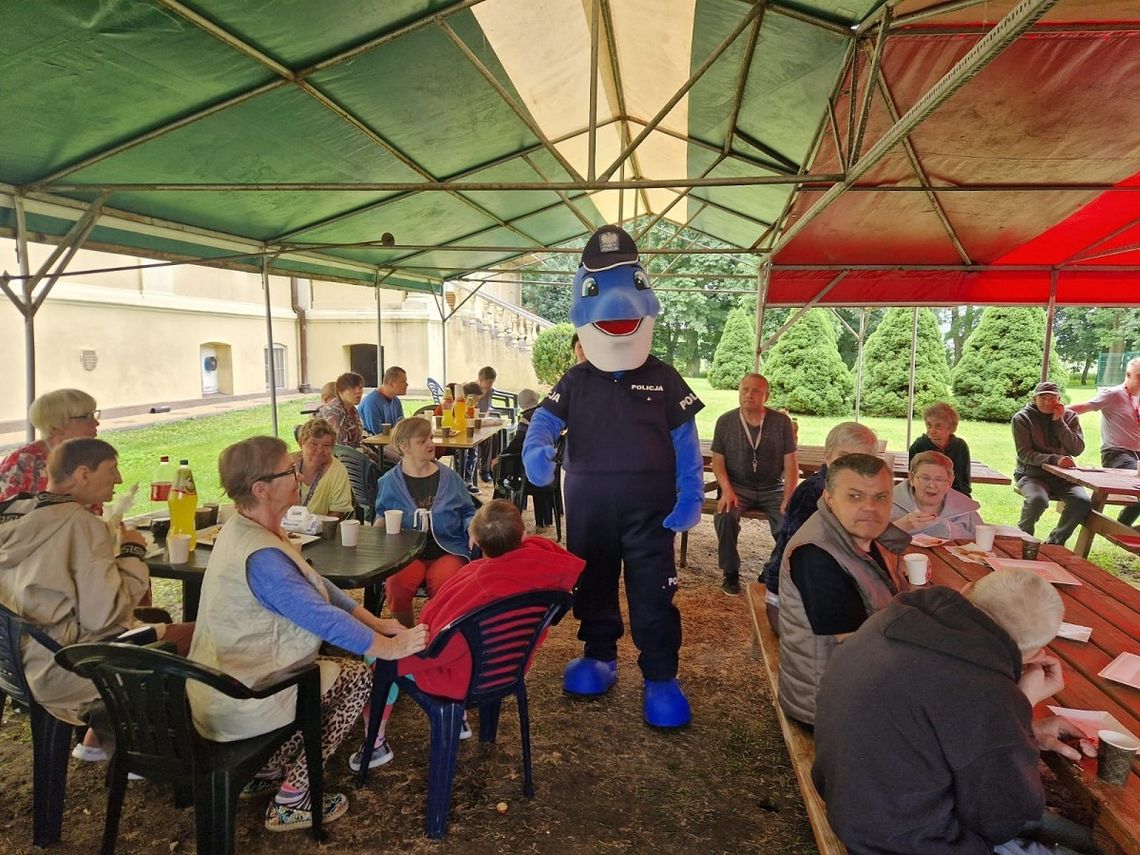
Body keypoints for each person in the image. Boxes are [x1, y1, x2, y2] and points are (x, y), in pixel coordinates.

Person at [187, 436, 427, 833]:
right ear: (260, 489)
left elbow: (319, 586)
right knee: (357, 680)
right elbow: (323, 618)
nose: (298, 474)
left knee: (335, 667)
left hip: (232, 679)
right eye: (289, 470)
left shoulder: (253, 528)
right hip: (241, 695)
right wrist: (388, 646)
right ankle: (292, 798)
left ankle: (266, 770)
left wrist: (376, 622)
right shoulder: (262, 556)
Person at [524, 224, 705, 728]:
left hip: (652, 515)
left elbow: (686, 439)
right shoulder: (575, 380)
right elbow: (544, 421)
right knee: (595, 582)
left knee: (653, 592)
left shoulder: (665, 377)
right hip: (590, 513)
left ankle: (661, 675)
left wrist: (691, 491)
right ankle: (600, 654)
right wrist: (536, 451)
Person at [813, 570, 1096, 854]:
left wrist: (1020, 727)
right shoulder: (989, 697)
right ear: (1035, 656)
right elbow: (1002, 822)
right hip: (907, 842)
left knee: (1079, 836)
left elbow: (936, 719)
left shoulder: (890, 620)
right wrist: (1018, 707)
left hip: (862, 805)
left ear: (966, 590)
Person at [350, 500, 584, 770]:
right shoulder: (548, 566)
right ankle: (458, 718)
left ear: (476, 542)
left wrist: (395, 640)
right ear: (523, 535)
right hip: (508, 667)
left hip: (458, 676)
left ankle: (375, 744)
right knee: (462, 641)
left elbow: (433, 637)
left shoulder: (474, 582)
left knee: (377, 651)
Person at [0, 439, 193, 730]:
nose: (119, 479)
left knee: (158, 624)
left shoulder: (19, 513)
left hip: (17, 663)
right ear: (83, 474)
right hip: (65, 667)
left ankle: (100, 738)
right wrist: (132, 553)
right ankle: (167, 747)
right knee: (196, 636)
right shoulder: (82, 524)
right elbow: (105, 617)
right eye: (112, 469)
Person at [778, 453, 907, 725]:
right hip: (828, 706)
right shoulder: (816, 555)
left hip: (853, 685)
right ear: (829, 498)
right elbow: (858, 650)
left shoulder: (862, 535)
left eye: (881, 497)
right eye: (855, 496)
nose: (870, 507)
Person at [762, 422, 879, 634]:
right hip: (791, 601)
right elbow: (802, 559)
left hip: (824, 589)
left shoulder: (858, 494)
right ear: (827, 456)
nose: (850, 465)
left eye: (861, 459)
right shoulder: (813, 493)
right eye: (843, 456)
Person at [375, 417, 476, 628]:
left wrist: (473, 527)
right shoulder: (389, 482)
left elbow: (468, 511)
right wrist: (375, 531)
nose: (431, 444)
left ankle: (439, 635)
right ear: (404, 446)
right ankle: (407, 632)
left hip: (447, 549)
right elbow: (382, 514)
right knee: (396, 585)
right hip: (406, 552)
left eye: (431, 437)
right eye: (422, 441)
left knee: (445, 585)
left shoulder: (450, 478)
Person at [710, 373, 798, 596]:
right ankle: (730, 571)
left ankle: (771, 570)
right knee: (725, 516)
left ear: (766, 396)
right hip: (738, 486)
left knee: (791, 521)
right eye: (744, 389)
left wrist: (789, 496)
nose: (749, 394)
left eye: (756, 391)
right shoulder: (725, 421)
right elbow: (717, 461)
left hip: (772, 487)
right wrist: (727, 490)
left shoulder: (781, 422)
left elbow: (790, 463)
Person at [1011, 381, 1091, 545]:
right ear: (1034, 399)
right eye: (1043, 398)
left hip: (1064, 478)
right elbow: (1025, 454)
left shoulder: (1070, 417)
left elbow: (1077, 449)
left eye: (1052, 398)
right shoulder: (1022, 418)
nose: (1048, 402)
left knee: (1082, 502)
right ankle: (1022, 539)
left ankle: (1055, 543)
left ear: (1059, 399)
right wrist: (1055, 459)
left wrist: (1059, 422)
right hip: (1031, 475)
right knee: (1037, 500)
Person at [1068, 355, 1140, 527]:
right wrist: (1049, 411)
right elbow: (1083, 407)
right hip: (1116, 453)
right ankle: (1123, 529)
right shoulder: (1113, 395)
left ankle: (1124, 529)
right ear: (1129, 375)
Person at [0, 388, 100, 502]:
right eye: (86, 417)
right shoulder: (24, 462)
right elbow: (7, 514)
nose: (96, 423)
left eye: (93, 415)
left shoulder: (86, 456)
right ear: (55, 426)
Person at [891, 450, 982, 540]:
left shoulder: (965, 509)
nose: (932, 485)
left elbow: (984, 542)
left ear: (950, 482)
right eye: (925, 478)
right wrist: (898, 527)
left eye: (939, 479)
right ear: (911, 479)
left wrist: (949, 530)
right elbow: (877, 545)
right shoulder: (887, 504)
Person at [495, 389, 554, 529]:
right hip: (549, 461)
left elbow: (518, 442)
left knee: (500, 466)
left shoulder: (527, 417)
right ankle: (546, 518)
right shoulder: (545, 414)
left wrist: (501, 455)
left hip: (530, 466)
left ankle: (498, 504)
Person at [292, 418, 354, 519]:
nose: (320, 450)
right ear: (301, 443)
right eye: (314, 444)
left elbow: (337, 512)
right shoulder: (286, 466)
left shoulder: (338, 471)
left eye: (326, 445)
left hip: (320, 531)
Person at [909, 401, 972, 496]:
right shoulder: (918, 446)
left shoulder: (960, 446)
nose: (932, 431)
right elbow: (914, 481)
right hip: (925, 495)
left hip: (954, 495)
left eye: (938, 426)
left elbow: (963, 483)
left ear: (951, 428)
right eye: (929, 425)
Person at [358, 367, 408, 467]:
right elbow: (377, 435)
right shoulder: (371, 402)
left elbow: (402, 427)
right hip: (376, 447)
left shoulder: (395, 400)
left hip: (393, 442)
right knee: (408, 459)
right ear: (392, 384)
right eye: (404, 381)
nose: (407, 384)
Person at [317, 372, 366, 450]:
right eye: (352, 388)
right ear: (341, 391)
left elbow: (358, 442)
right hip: (336, 458)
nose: (358, 391)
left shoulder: (352, 409)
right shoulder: (334, 412)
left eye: (360, 387)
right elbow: (340, 448)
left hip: (355, 454)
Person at [475, 366, 499, 483]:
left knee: (494, 434)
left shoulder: (489, 391)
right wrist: (480, 396)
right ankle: (483, 470)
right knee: (487, 438)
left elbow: (487, 409)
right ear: (481, 379)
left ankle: (492, 467)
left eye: (492, 382)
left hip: (482, 421)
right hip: (471, 423)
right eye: (489, 382)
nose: (490, 385)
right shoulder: (471, 389)